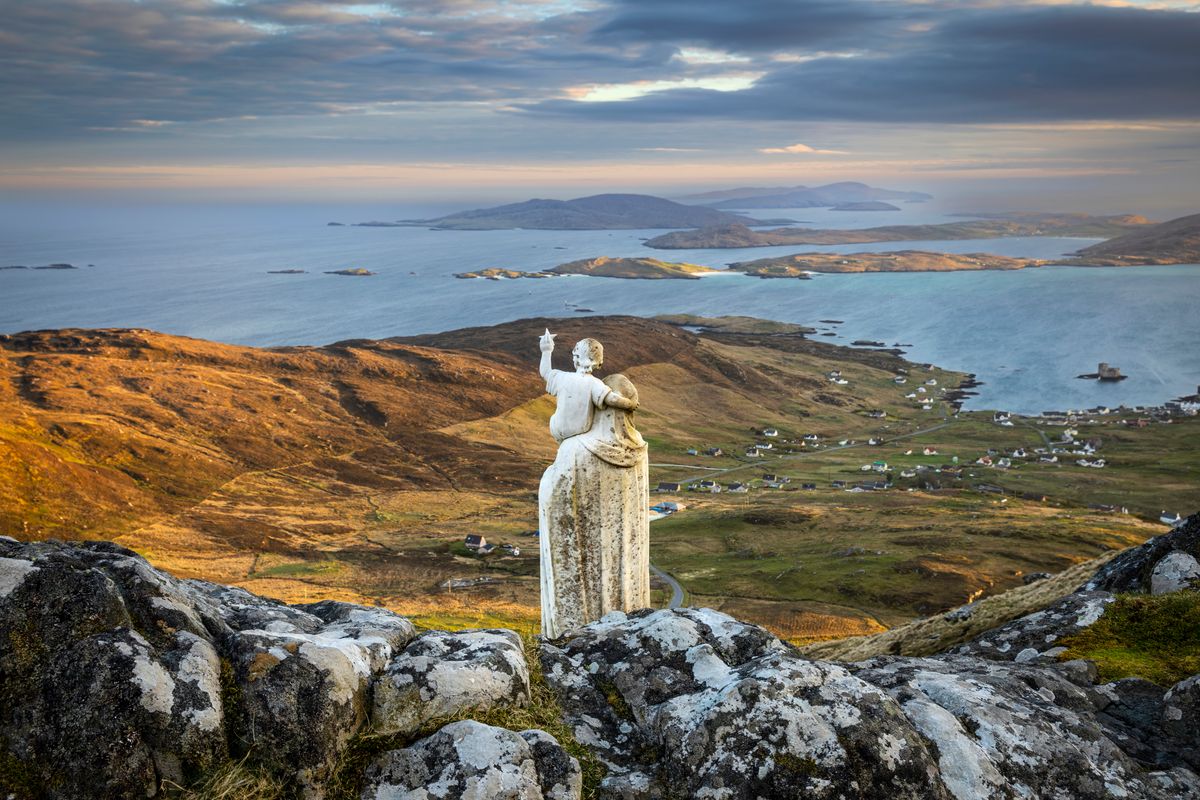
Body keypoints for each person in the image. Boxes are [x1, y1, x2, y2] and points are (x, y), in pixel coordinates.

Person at [538, 330, 650, 638]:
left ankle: (568, 637)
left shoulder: (577, 449)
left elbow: (554, 500)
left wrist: (546, 349)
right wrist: (629, 404)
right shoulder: (639, 451)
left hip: (581, 583)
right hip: (626, 581)